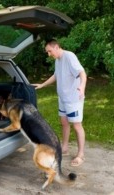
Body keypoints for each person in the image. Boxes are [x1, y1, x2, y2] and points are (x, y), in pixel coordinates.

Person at [33, 39, 87, 167]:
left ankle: (81, 155)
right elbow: (56, 75)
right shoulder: (58, 60)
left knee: (76, 126)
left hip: (73, 99)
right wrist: (42, 85)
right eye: (47, 52)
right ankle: (65, 148)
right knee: (64, 123)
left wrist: (82, 87)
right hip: (63, 98)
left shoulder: (69, 56)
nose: (49, 54)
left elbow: (82, 73)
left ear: (56, 47)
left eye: (49, 51)